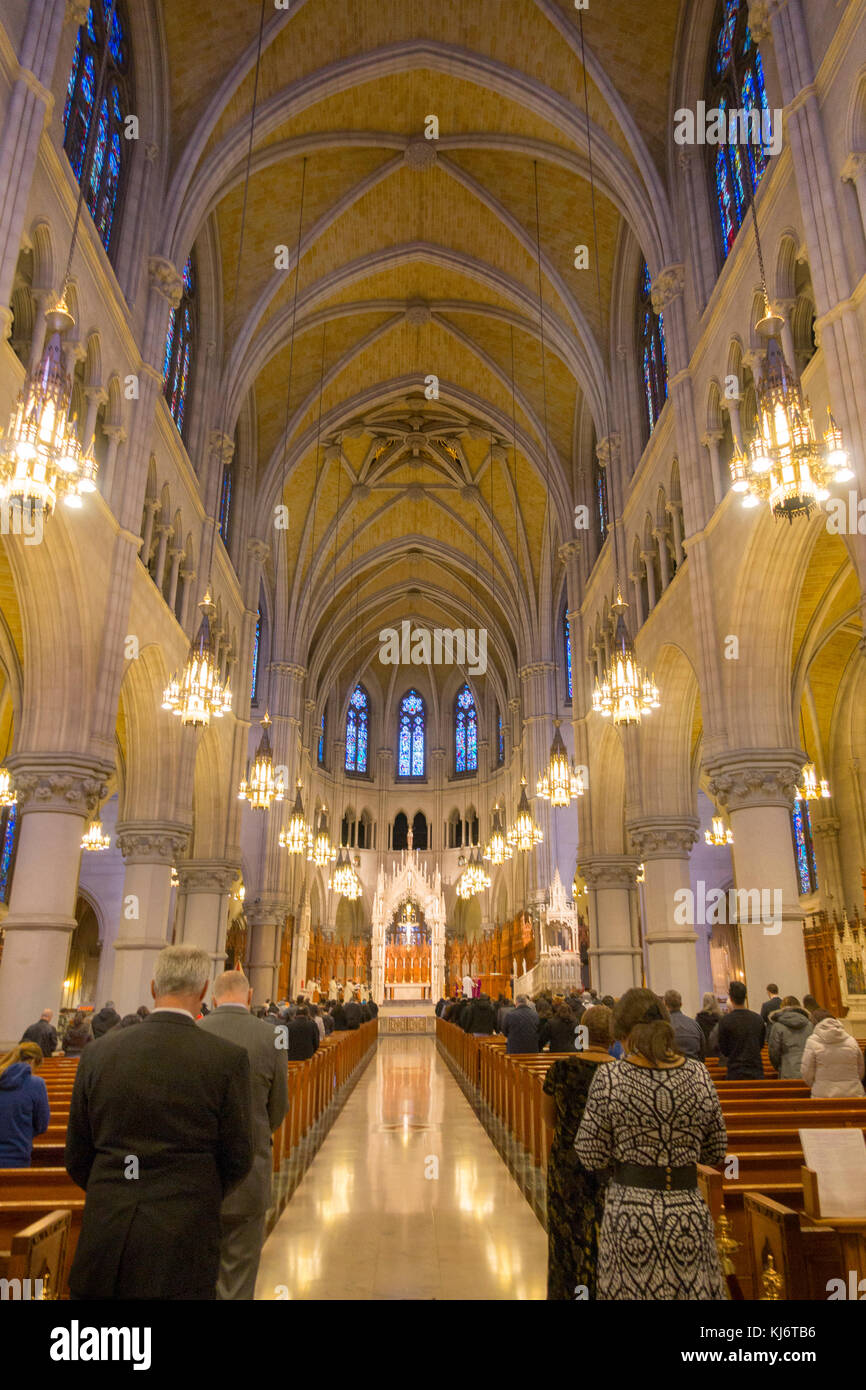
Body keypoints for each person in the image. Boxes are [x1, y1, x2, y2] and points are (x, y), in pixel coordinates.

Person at [64, 944, 253, 1300]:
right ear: (202, 991)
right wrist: (196, 1192)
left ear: (153, 988)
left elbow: (77, 1155)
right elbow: (238, 1156)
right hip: (183, 1235)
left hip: (106, 1233)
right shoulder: (225, 1059)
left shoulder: (98, 1054)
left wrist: (116, 1191)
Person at [575, 988, 727, 1300]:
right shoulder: (698, 1074)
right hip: (687, 1215)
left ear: (624, 1034)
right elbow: (716, 1150)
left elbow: (590, 1154)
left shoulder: (611, 1078)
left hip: (632, 1214)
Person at [199, 971, 289, 1300]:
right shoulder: (273, 1035)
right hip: (249, 1173)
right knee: (238, 1275)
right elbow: (278, 1106)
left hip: (196, 1179)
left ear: (211, 995)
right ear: (250, 996)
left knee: (195, 1271)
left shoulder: (194, 1031)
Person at [542, 1006, 615, 1299]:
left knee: (565, 1237)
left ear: (582, 1031)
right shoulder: (623, 1073)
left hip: (568, 1167)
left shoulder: (561, 1070)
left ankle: (566, 1291)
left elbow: (549, 1121)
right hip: (609, 1171)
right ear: (613, 1035)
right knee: (607, 1235)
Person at [0, 1042, 51, 1167]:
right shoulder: (36, 1084)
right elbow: (42, 1125)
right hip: (18, 1157)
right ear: (32, 1062)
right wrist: (23, 1130)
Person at [800, 1011, 865, 1098]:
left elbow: (806, 1072)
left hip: (823, 1094)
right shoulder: (851, 1040)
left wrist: (818, 1084)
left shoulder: (812, 1042)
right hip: (853, 1093)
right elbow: (861, 1068)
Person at [712, 981, 765, 1080]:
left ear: (731, 998)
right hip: (756, 1071)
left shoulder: (725, 1021)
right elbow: (760, 1045)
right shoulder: (758, 1019)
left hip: (735, 1072)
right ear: (745, 998)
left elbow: (724, 1049)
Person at [766, 996, 813, 1079]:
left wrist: (781, 1066)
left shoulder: (777, 1026)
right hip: (808, 1071)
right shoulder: (809, 1025)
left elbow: (773, 1053)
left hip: (787, 1070)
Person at [663, 990, 706, 1061]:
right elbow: (702, 1052)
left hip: (671, 1068)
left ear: (664, 1004)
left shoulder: (662, 1026)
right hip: (694, 1068)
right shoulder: (694, 1024)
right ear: (681, 1004)